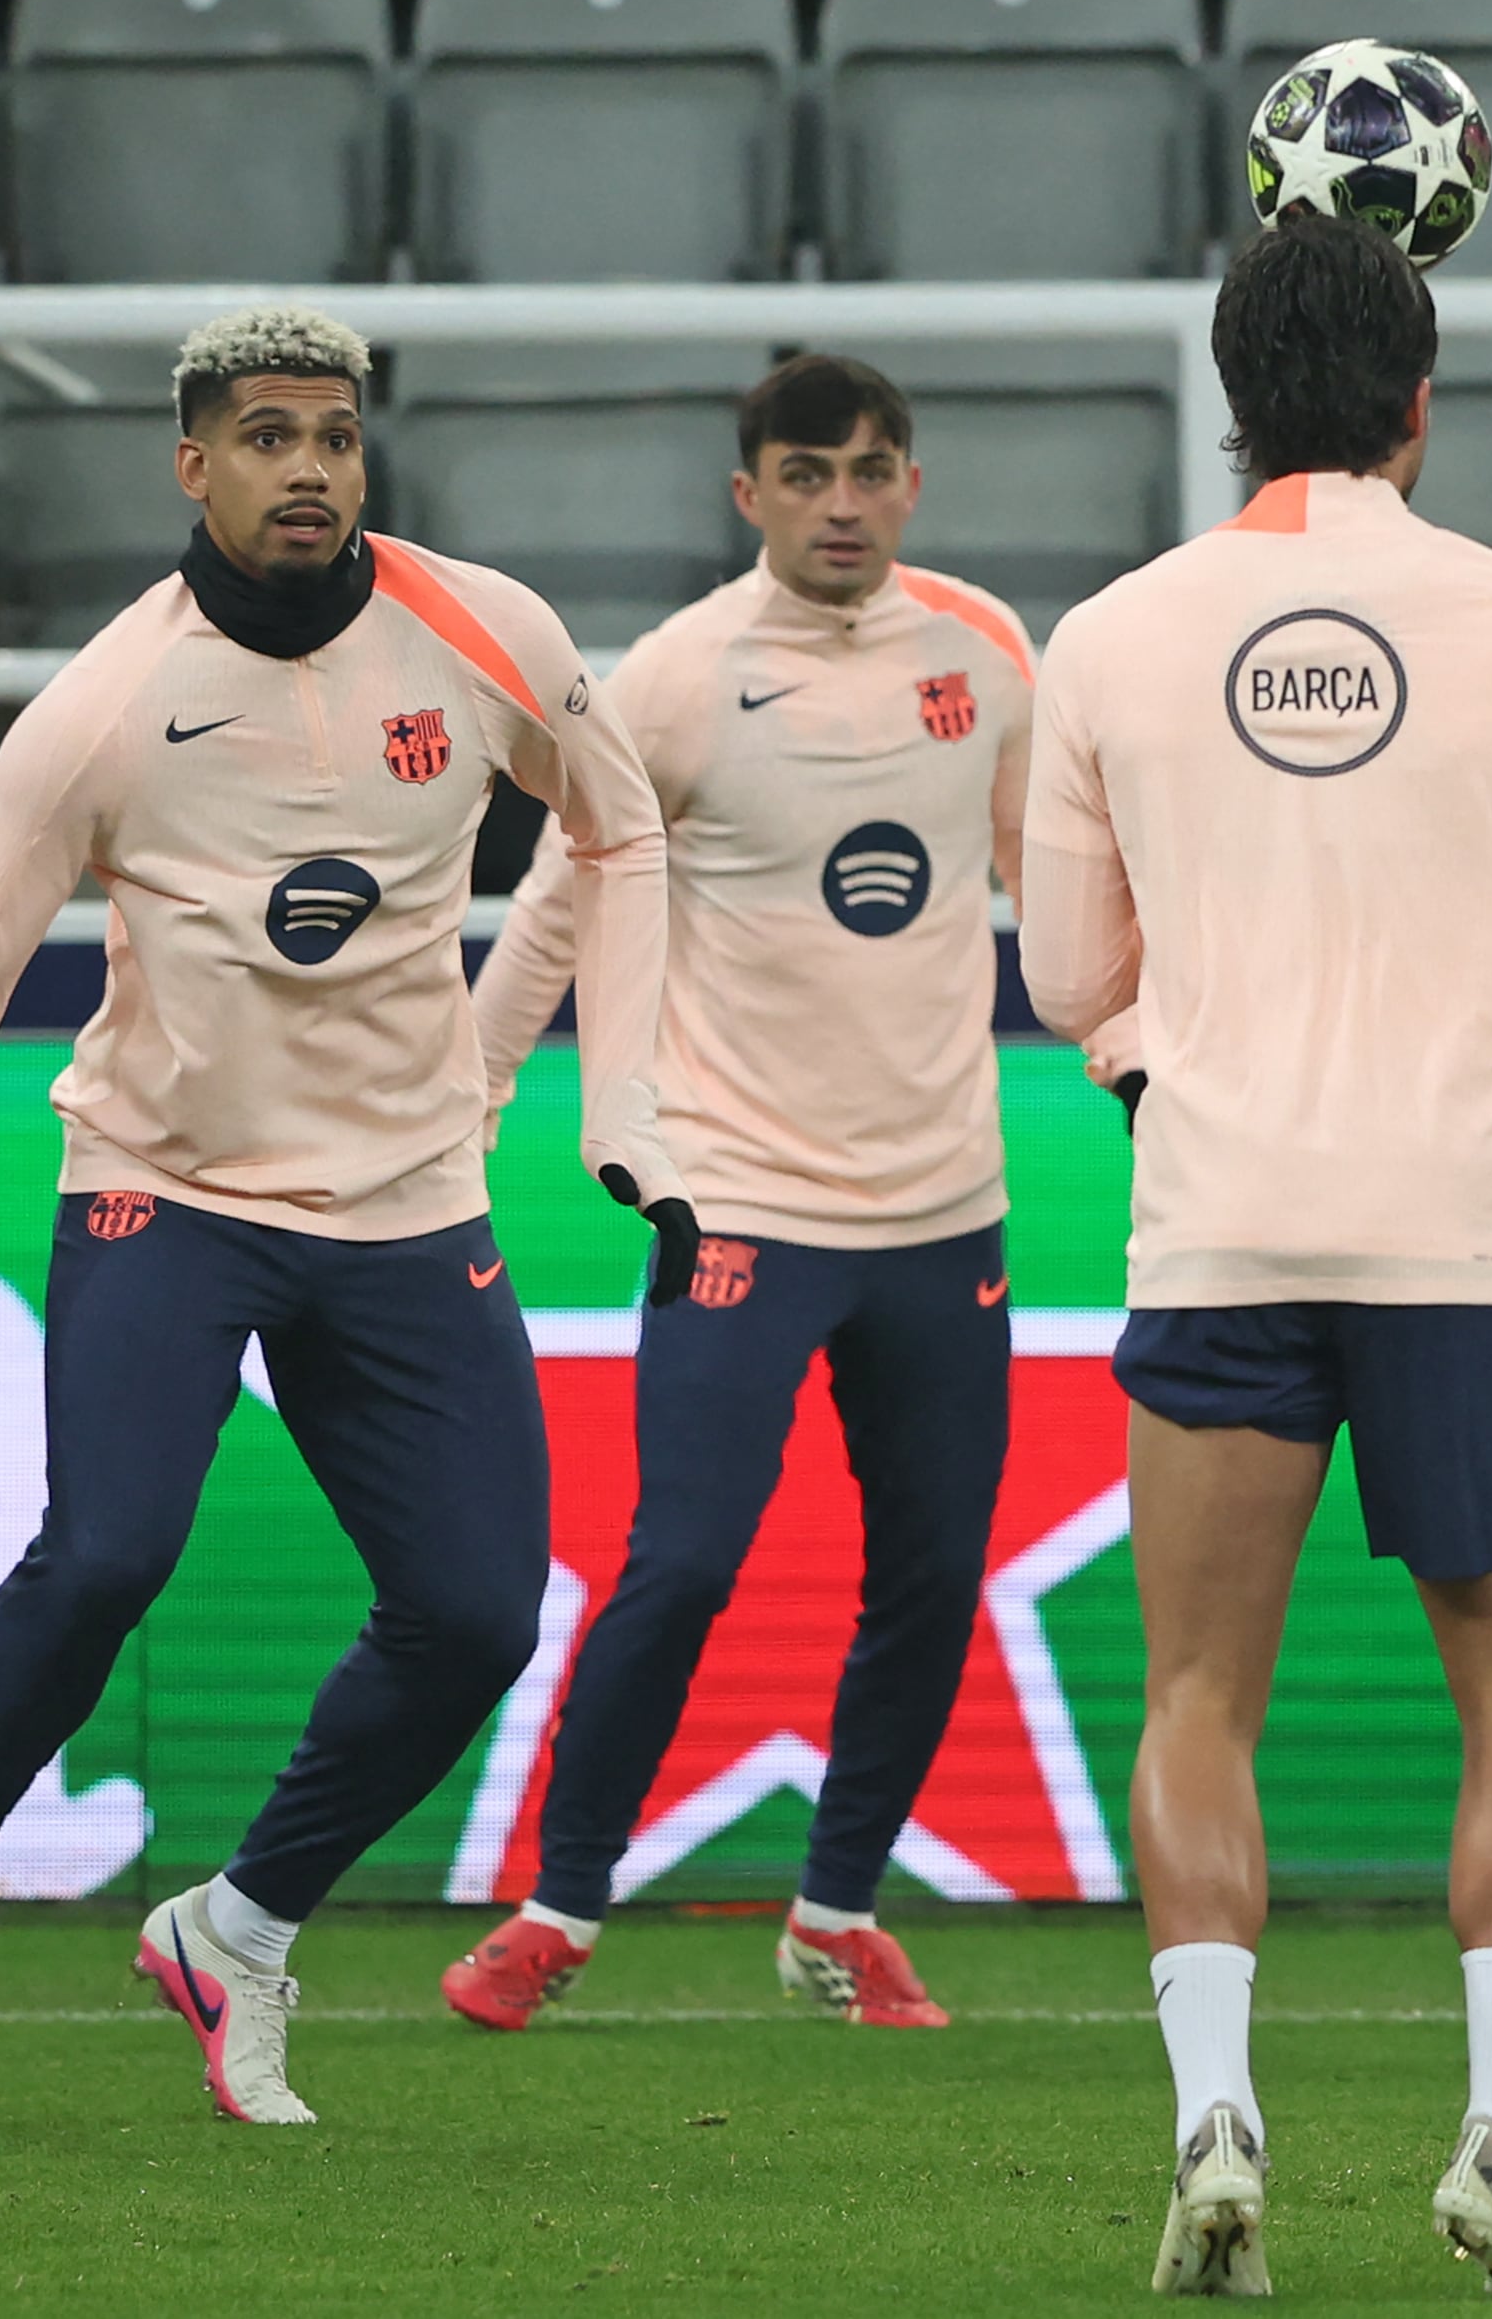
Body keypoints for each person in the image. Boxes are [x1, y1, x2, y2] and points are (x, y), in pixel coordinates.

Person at [0, 307, 692, 2128]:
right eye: (269, 436)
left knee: (473, 1610)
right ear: (191, 463)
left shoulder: (485, 632)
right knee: (110, 1550)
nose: (312, 468)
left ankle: (241, 1925)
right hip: (166, 1189)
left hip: (406, 1196)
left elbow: (625, 828)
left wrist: (630, 1099)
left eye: (338, 436)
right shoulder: (105, 708)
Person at [1019, 214, 1492, 2299]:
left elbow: (1067, 979)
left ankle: (1215, 2116)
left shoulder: (1106, 637)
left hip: (1220, 1225)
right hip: (1459, 1234)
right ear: (1418, 396)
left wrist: (1196, 1033)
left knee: (1200, 1690)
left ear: (1228, 398)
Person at [437, 354, 1067, 2035]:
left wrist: (1150, 1036)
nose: (843, 503)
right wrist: (477, 1086)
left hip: (947, 1207)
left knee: (935, 1570)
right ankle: (562, 1904)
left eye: (871, 471)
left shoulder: (989, 655)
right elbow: (572, 902)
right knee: (688, 1557)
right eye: (808, 475)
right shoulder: (676, 680)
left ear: (912, 484)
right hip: (740, 1197)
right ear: (751, 496)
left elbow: (1054, 898)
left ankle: (835, 1918)